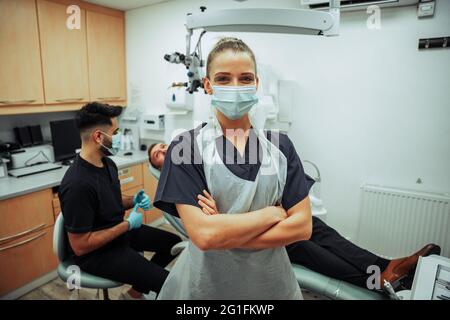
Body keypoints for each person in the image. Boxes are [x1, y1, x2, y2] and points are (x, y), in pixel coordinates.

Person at [149, 105, 440, 293]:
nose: (163, 152)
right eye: (158, 155)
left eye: (163, 147)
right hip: (240, 256)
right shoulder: (178, 181)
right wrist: (270, 214)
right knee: (308, 249)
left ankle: (384, 265)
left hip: (256, 234)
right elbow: (203, 233)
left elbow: (228, 217)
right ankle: (377, 282)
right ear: (158, 166)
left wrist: (228, 219)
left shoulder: (209, 161)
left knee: (319, 230)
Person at [153, 37, 313, 300]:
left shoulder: (280, 147)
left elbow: (302, 227)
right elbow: (204, 235)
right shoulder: (186, 148)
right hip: (208, 288)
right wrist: (271, 214)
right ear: (208, 85)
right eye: (224, 79)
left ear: (256, 84)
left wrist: (224, 231)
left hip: (270, 287)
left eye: (246, 78)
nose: (236, 87)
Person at [59, 102, 182, 300]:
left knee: (173, 243)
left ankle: (133, 294)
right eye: (115, 132)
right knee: (172, 284)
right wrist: (127, 225)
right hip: (96, 254)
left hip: (118, 235)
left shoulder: (107, 163)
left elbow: (111, 200)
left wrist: (133, 200)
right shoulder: (77, 184)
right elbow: (81, 246)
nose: (118, 137)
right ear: (98, 136)